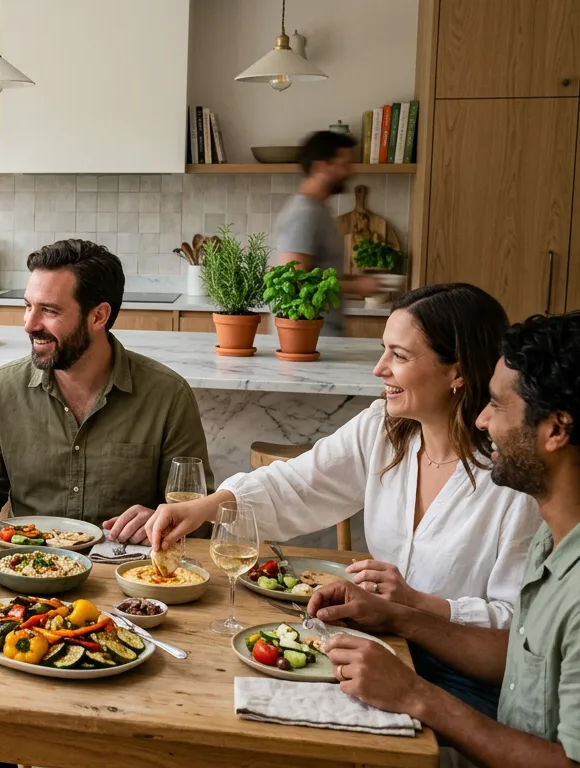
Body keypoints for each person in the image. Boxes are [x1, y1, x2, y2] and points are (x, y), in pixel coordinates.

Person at [146, 284, 541, 715]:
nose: (379, 369)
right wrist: (205, 506)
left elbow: (522, 628)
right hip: (379, 651)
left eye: (399, 356)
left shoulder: (511, 477)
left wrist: (419, 604)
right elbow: (298, 484)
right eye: (383, 351)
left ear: (457, 372)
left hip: (458, 682)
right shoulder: (383, 432)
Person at [306, 311, 580, 768]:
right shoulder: (552, 542)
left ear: (555, 429)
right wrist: (397, 616)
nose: (480, 420)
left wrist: (415, 694)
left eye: (497, 405)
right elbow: (517, 654)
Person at [0, 238, 211, 542]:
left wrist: (166, 519)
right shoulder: (2, 388)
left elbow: (200, 516)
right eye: (28, 307)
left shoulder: (168, 396)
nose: (29, 325)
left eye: (49, 311)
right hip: (27, 565)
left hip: (128, 572)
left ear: (98, 316)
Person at [274, 130, 382, 336]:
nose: (350, 172)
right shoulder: (304, 214)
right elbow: (296, 281)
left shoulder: (318, 210)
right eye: (344, 164)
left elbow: (319, 272)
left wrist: (354, 280)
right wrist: (357, 286)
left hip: (320, 332)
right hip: (308, 335)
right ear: (320, 166)